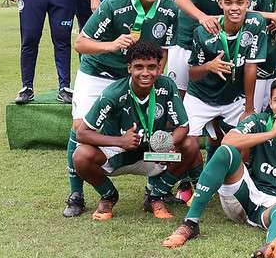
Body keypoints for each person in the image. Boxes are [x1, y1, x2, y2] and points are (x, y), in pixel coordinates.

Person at [162, 76, 276, 258]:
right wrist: (272, 133)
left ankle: (271, 246)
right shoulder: (259, 121)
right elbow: (228, 140)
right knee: (226, 152)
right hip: (246, 195)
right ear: (270, 103)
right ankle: (190, 224)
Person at [64, 0, 178, 217]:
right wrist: (111, 45)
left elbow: (164, 51)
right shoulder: (114, 4)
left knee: (154, 125)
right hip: (98, 71)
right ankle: (76, 193)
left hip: (138, 76)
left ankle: (155, 189)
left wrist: (158, 77)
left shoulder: (169, 10)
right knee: (79, 127)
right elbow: (80, 43)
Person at [73, 41, 201, 221]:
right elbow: (82, 133)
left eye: (151, 67)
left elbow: (183, 126)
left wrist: (166, 144)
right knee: (81, 155)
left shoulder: (167, 86)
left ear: (159, 67)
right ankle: (108, 196)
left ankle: (155, 196)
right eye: (139, 67)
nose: (145, 73)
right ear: (129, 68)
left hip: (152, 153)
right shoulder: (114, 93)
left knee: (190, 145)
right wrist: (120, 141)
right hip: (118, 153)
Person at [184, 0, 268, 161]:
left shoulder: (256, 23)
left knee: (243, 141)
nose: (234, 8)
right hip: (201, 96)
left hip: (233, 99)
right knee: (185, 144)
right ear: (220, 3)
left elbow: (251, 66)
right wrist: (209, 66)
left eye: (240, 3)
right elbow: (192, 73)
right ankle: (193, 179)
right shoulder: (204, 30)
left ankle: (233, 182)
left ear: (248, 3)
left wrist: (249, 108)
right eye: (228, 3)